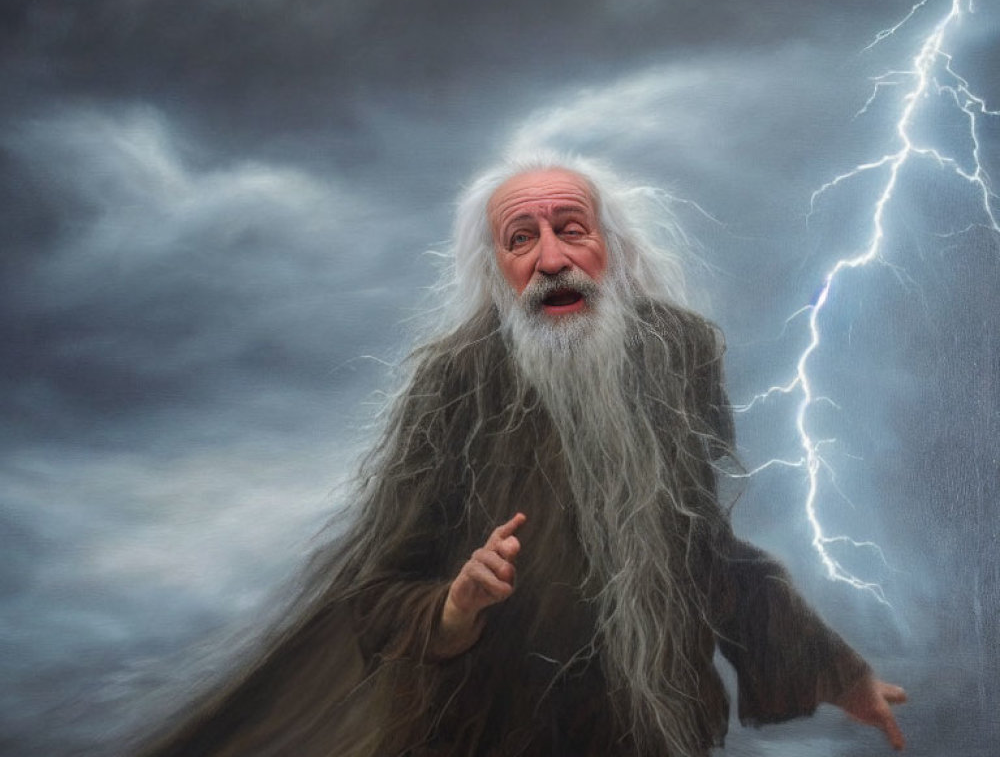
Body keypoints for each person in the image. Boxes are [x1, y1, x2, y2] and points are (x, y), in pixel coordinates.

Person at [141, 153, 906, 757]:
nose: (549, 259)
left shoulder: (679, 353)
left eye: (571, 228)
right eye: (521, 239)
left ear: (612, 248)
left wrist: (837, 672)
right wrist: (456, 603)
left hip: (642, 732)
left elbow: (703, 553)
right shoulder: (454, 382)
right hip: (488, 728)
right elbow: (378, 592)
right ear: (497, 271)